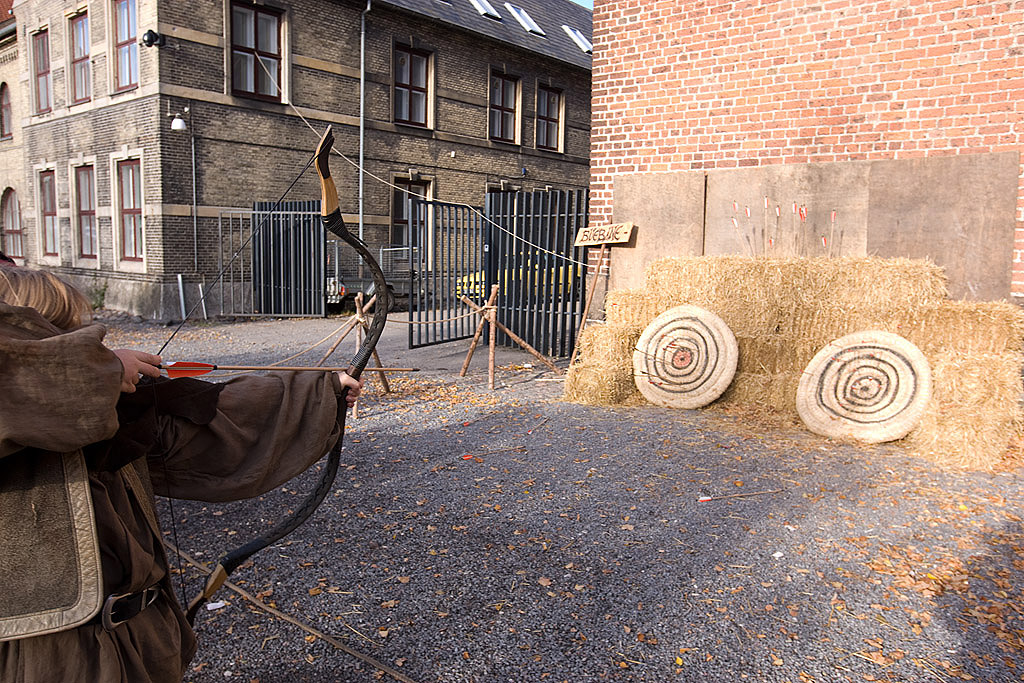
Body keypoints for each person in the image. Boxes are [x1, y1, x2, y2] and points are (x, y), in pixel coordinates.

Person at [0, 267, 362, 683]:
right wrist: (101, 371)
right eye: (61, 333)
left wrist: (323, 392)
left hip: (138, 639)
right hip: (45, 655)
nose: (88, 344)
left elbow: (213, 420)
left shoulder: (110, 412)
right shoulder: (28, 406)